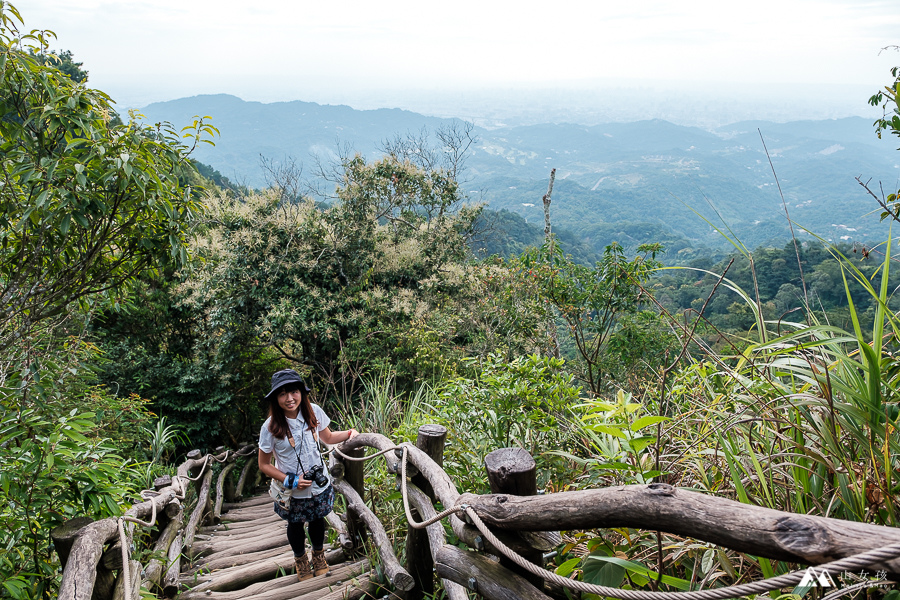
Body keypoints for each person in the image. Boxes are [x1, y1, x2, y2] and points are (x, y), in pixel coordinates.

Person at [257, 369, 359, 582]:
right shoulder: (270, 427)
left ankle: (319, 556)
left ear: (302, 392)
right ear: (276, 398)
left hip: (318, 484)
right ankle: (301, 560)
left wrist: (350, 433)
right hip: (292, 489)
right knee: (295, 525)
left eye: (294, 391)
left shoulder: (314, 412)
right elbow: (263, 464)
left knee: (317, 520)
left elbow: (329, 437)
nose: (289, 398)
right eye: (282, 394)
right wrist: (289, 479)